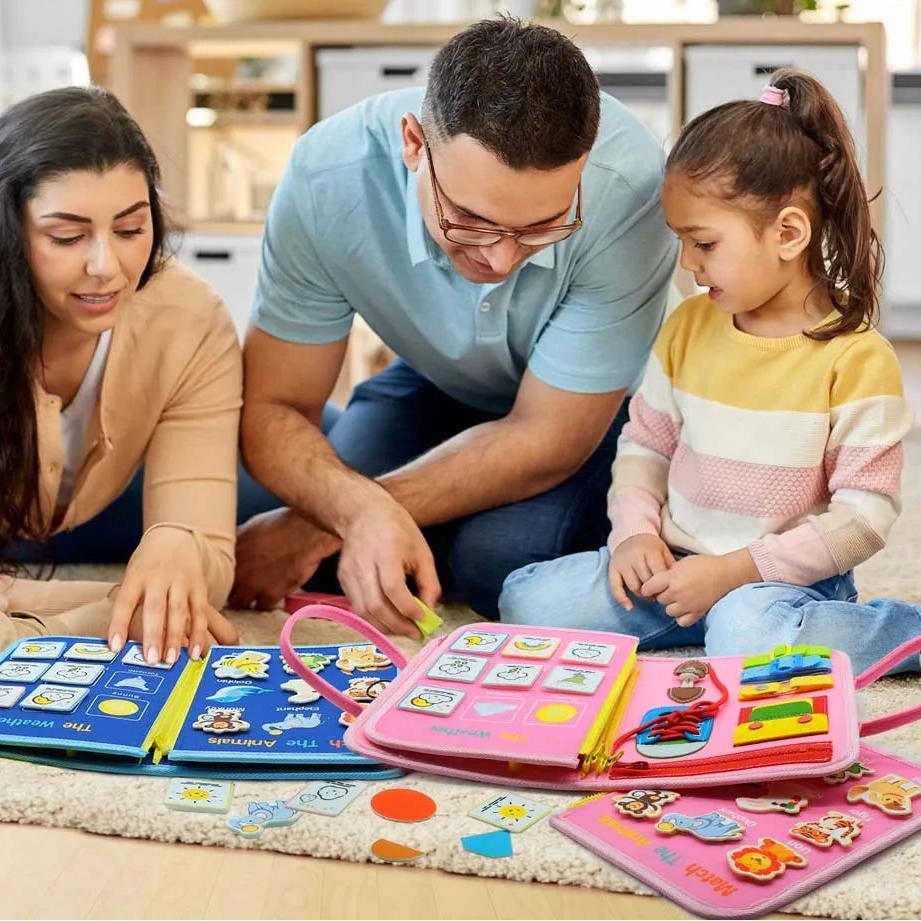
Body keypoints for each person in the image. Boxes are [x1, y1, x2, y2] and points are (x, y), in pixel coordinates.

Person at [230, 16, 678, 636]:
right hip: (438, 381)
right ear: (414, 143)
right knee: (337, 553)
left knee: (496, 561)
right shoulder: (324, 179)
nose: (498, 258)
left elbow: (548, 438)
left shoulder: (630, 188)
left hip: (601, 410)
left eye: (541, 227)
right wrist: (353, 509)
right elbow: (274, 405)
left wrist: (323, 520)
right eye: (469, 220)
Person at [499, 68, 920, 676]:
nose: (688, 263)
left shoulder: (856, 358)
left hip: (781, 585)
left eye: (704, 243)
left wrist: (734, 572)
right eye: (680, 241)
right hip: (675, 562)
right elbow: (645, 447)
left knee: (747, 636)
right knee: (526, 599)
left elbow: (863, 520)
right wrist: (635, 537)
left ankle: (901, 633)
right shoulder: (689, 327)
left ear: (788, 233)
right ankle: (694, 617)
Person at [0, 86, 241, 663]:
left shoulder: (189, 316)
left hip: (112, 494)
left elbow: (206, 567)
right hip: (33, 516)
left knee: (301, 468)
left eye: (131, 230)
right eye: (66, 236)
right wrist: (108, 612)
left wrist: (178, 544)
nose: (107, 268)